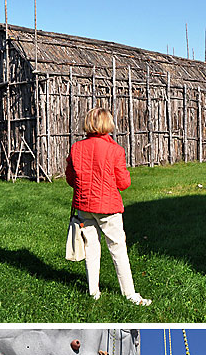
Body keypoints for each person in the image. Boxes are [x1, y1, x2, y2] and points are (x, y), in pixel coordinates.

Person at [64, 106, 151, 305]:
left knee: (91, 249)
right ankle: (130, 294)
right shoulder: (115, 150)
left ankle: (93, 291)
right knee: (118, 249)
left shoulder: (76, 148)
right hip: (108, 208)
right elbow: (124, 183)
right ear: (108, 124)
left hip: (84, 206)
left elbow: (71, 178)